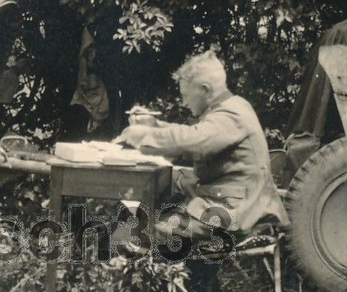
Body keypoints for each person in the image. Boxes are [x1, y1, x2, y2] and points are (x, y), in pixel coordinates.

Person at [117, 51, 289, 248]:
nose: (184, 103)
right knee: (168, 185)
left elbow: (195, 140)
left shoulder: (231, 114)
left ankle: (169, 271)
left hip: (239, 212)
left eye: (186, 96)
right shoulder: (232, 107)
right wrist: (154, 125)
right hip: (233, 201)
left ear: (205, 90)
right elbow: (197, 134)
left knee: (148, 232)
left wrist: (143, 135)